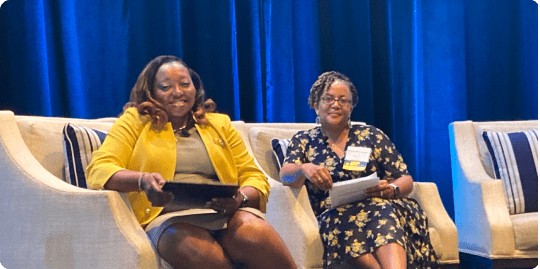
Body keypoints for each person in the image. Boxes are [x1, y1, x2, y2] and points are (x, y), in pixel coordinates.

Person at [86, 55, 297, 269]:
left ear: (195, 88)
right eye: (166, 87)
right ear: (151, 93)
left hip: (223, 212)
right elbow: (100, 168)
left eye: (185, 84)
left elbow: (253, 175)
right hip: (169, 217)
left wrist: (241, 199)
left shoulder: (218, 124)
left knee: (255, 233)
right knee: (194, 248)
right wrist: (142, 181)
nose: (178, 92)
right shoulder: (136, 121)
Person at [279, 71, 439, 269]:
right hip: (334, 213)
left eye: (343, 100)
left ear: (351, 106)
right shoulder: (304, 140)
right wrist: (304, 169)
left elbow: (404, 178)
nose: (336, 104)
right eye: (328, 99)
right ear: (315, 105)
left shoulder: (371, 135)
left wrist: (392, 189)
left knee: (381, 210)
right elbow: (285, 174)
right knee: (342, 222)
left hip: (380, 206)